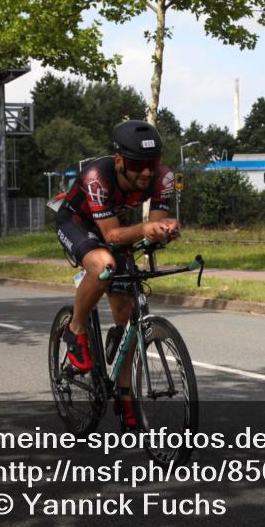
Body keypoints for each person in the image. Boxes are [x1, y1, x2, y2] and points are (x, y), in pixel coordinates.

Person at [55, 120, 179, 429]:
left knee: (127, 316)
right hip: (78, 224)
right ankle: (76, 329)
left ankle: (125, 398)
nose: (147, 172)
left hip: (117, 225)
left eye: (152, 164)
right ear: (120, 161)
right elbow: (110, 236)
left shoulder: (163, 177)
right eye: (138, 165)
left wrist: (164, 230)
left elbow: (151, 229)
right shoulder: (97, 176)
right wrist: (144, 229)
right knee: (103, 266)